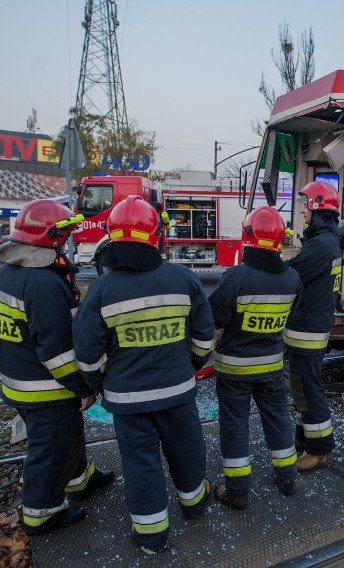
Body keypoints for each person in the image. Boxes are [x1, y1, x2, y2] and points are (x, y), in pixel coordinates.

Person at [73, 195, 214, 555]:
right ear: (157, 236)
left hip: (127, 400)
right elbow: (203, 337)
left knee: (141, 464)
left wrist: (101, 385)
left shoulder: (101, 290)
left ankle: (152, 537)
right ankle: (195, 503)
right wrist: (190, 368)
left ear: (112, 237)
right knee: (186, 449)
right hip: (178, 392)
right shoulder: (184, 278)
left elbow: (88, 356)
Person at [0, 199, 114, 536]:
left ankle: (79, 480)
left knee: (67, 437)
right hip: (45, 387)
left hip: (21, 379)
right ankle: (42, 511)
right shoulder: (42, 284)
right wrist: (83, 386)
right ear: (48, 237)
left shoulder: (12, 272)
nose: (67, 239)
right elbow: (56, 352)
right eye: (63, 234)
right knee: (53, 446)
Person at [209, 206, 301, 509]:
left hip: (234, 370)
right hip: (272, 367)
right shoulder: (292, 279)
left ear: (247, 236)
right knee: (278, 419)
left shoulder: (236, 277)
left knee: (235, 424)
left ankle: (236, 490)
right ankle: (287, 476)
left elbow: (215, 317)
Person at [283, 181, 342, 471]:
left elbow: (290, 276)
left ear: (317, 206)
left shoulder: (320, 246)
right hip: (308, 325)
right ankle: (304, 437)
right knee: (300, 384)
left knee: (308, 386)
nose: (303, 211)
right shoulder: (326, 241)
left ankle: (320, 449)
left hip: (308, 328)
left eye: (306, 205)